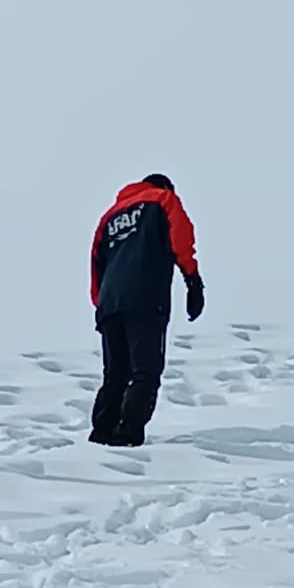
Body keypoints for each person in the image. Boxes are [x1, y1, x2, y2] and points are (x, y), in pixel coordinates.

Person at [89, 173, 203, 446]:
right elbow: (181, 238)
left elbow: (96, 264)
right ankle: (128, 435)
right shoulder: (163, 199)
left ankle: (101, 433)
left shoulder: (109, 218)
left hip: (110, 304)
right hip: (146, 299)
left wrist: (101, 303)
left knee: (115, 373)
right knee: (145, 370)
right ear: (165, 186)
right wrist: (193, 280)